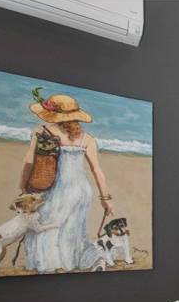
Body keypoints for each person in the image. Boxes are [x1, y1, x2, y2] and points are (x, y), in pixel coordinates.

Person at [19, 93, 113, 273]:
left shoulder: (42, 132)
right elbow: (96, 170)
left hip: (57, 188)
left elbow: (29, 161)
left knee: (47, 225)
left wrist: (23, 186)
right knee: (74, 230)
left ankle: (51, 265)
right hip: (81, 190)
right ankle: (88, 260)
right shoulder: (88, 139)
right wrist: (105, 198)